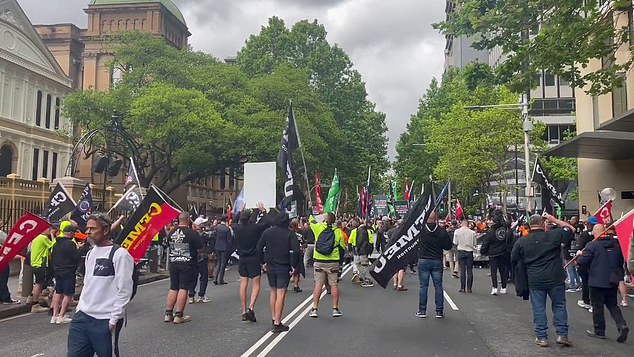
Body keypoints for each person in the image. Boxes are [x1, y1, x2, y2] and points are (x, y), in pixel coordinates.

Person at [67, 213, 134, 357]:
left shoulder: (120, 254)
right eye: (87, 228)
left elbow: (125, 290)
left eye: (92, 229)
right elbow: (88, 284)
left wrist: (113, 320)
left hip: (105, 320)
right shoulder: (91, 253)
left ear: (105, 230)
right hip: (82, 318)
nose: (88, 232)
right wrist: (79, 309)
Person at [511, 214, 574, 348]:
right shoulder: (554, 235)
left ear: (529, 225)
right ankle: (562, 334)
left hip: (535, 278)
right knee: (559, 305)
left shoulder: (522, 241)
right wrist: (555, 220)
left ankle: (542, 337)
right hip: (555, 277)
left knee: (538, 308)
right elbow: (570, 230)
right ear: (543, 224)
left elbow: (514, 258)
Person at [577, 224, 629, 343]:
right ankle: (622, 325)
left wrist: (580, 255)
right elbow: (621, 261)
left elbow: (583, 261)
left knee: (597, 307)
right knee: (613, 305)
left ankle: (599, 331)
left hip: (596, 281)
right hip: (612, 280)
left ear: (596, 233)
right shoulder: (616, 245)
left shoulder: (592, 245)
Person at [256, 212, 300, 333]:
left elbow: (259, 248)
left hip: (270, 265)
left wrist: (262, 262)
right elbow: (296, 251)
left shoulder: (267, 232)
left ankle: (273, 317)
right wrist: (294, 266)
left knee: (273, 292)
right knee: (281, 294)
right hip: (283, 265)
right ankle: (277, 322)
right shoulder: (290, 234)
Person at [164, 212, 202, 324]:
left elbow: (167, 245)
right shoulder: (192, 233)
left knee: (173, 288)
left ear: (179, 220)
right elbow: (199, 248)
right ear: (189, 220)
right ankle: (178, 315)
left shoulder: (171, 232)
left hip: (173, 262)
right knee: (183, 288)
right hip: (187, 263)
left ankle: (168, 314)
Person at [234, 204, 269, 322]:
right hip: (253, 257)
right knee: (256, 283)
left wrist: (239, 211)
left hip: (242, 258)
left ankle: (243, 311)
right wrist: (263, 211)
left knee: (243, 283)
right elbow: (267, 223)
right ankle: (251, 306)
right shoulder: (255, 228)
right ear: (250, 218)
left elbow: (233, 222)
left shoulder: (237, 228)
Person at [416, 211, 452, 319]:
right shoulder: (442, 232)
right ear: (436, 219)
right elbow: (448, 247)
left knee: (423, 286)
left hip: (423, 260)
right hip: (436, 260)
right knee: (438, 286)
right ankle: (439, 311)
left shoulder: (420, 231)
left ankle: (422, 311)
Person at [309, 213, 345, 318]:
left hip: (319, 260)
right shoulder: (338, 232)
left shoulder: (318, 228)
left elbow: (311, 218)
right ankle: (335, 308)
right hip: (333, 261)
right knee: (333, 284)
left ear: (325, 219)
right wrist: (340, 263)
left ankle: (314, 308)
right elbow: (342, 248)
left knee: (318, 285)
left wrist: (320, 216)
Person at [50, 223, 81, 324]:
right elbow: (76, 257)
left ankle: (54, 315)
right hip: (68, 271)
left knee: (58, 292)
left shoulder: (56, 243)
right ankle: (61, 315)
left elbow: (52, 256)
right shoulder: (70, 244)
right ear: (71, 233)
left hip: (57, 270)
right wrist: (79, 249)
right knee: (68, 294)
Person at [481, 211, 513, 295]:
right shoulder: (505, 230)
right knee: (503, 270)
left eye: (491, 220)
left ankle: (494, 287)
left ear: (494, 222)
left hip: (493, 253)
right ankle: (504, 287)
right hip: (503, 252)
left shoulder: (490, 231)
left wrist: (483, 252)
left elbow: (486, 243)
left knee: (493, 271)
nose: (489, 222)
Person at [29, 224, 57, 313]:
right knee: (39, 283)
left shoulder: (36, 238)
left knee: (38, 283)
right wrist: (52, 235)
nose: (50, 230)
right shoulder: (43, 238)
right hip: (41, 264)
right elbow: (54, 246)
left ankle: (32, 299)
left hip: (35, 263)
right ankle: (35, 304)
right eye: (48, 229)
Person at [188, 216, 211, 304]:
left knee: (193, 277)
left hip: (192, 257)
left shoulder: (191, 234)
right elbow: (212, 235)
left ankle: (191, 295)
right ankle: (201, 295)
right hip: (201, 257)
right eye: (203, 223)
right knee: (203, 277)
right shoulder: (203, 234)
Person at [576, 216, 597, 310]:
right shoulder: (600, 235)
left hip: (585, 261)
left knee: (585, 282)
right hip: (596, 262)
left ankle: (587, 300)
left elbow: (580, 247)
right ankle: (594, 302)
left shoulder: (584, 235)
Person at [454, 219, 477, 293]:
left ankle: (462, 287)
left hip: (461, 250)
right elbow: (474, 243)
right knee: (469, 270)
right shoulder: (472, 232)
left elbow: (455, 242)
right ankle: (469, 288)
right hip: (469, 251)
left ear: (461, 223)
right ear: (467, 224)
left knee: (462, 270)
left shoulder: (457, 231)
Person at [214, 216, 232, 285]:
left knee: (218, 262)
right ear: (226, 220)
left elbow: (214, 236)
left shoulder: (217, 228)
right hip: (224, 247)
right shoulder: (227, 229)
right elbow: (229, 240)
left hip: (217, 246)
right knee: (223, 264)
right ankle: (220, 279)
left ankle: (215, 278)